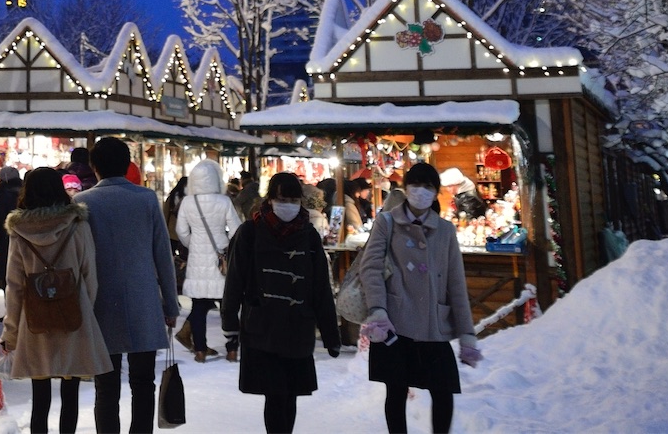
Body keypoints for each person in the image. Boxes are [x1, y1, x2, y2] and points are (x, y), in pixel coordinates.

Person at [358, 162, 481, 434]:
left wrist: (467, 335)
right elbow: (371, 267)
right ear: (405, 188)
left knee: (443, 390)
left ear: (436, 192)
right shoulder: (386, 221)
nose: (421, 192)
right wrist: (378, 310)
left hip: (433, 324)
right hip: (394, 323)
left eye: (428, 186)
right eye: (416, 185)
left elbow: (456, 284)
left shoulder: (445, 230)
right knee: (396, 390)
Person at [221, 172, 341, 434]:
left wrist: (331, 334)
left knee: (291, 395)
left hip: (298, 327)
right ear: (271, 199)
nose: (287, 204)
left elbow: (321, 288)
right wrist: (230, 326)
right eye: (282, 198)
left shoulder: (308, 235)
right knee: (275, 396)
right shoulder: (250, 232)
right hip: (262, 328)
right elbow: (234, 283)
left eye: (293, 199)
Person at [74, 137, 178, 434]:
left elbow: (78, 260)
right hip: (144, 303)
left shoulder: (83, 202)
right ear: (128, 164)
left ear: (94, 166)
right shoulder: (146, 199)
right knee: (143, 383)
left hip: (100, 304)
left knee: (106, 387)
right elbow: (162, 255)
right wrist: (170, 304)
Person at [2, 167, 112, 434]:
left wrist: (11, 332)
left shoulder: (19, 230)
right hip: (72, 317)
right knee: (70, 393)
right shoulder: (77, 224)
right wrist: (84, 309)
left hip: (34, 320)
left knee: (40, 396)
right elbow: (90, 276)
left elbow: (14, 286)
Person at [174, 159, 241, 362]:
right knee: (227, 307)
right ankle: (232, 349)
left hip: (197, 259)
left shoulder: (188, 202)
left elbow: (181, 231)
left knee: (198, 307)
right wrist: (226, 244)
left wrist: (192, 243)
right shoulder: (224, 201)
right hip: (220, 259)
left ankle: (200, 350)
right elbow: (237, 229)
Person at [0, 164, 25, 277]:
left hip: (6, 235)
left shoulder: (3, 193)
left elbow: (0, 217)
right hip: (22, 235)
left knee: (7, 269)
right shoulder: (23, 191)